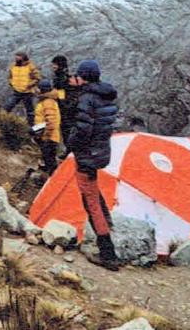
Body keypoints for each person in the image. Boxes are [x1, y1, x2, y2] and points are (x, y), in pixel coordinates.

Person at [68, 59, 120, 271]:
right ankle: (108, 227)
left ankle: (108, 253)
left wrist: (70, 144)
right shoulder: (105, 96)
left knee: (90, 200)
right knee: (93, 192)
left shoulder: (87, 99)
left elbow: (83, 129)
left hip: (87, 153)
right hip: (101, 151)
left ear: (83, 78)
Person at [32, 78, 62, 175]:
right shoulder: (47, 101)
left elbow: (51, 122)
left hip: (49, 137)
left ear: (42, 89)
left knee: (50, 161)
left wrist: (46, 136)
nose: (36, 90)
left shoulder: (48, 102)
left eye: (37, 88)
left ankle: (53, 179)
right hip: (48, 136)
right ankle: (49, 174)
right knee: (48, 159)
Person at [4, 51, 40, 126]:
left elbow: (37, 78)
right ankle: (4, 122)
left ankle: (31, 126)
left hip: (27, 92)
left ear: (23, 57)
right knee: (7, 107)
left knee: (30, 111)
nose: (16, 58)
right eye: (16, 56)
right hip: (16, 91)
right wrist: (11, 83)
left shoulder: (31, 66)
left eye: (18, 56)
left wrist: (29, 85)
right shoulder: (13, 66)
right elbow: (10, 76)